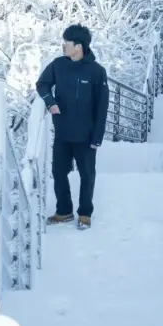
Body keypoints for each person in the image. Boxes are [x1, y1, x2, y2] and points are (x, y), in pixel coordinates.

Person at [36, 24, 109, 229]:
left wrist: (97, 137)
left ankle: (85, 214)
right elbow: (42, 84)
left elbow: (102, 107)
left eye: (66, 42)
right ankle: (64, 211)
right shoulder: (58, 65)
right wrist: (51, 102)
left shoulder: (97, 72)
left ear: (78, 46)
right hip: (62, 133)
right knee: (58, 172)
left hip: (86, 136)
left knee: (87, 175)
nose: (63, 46)